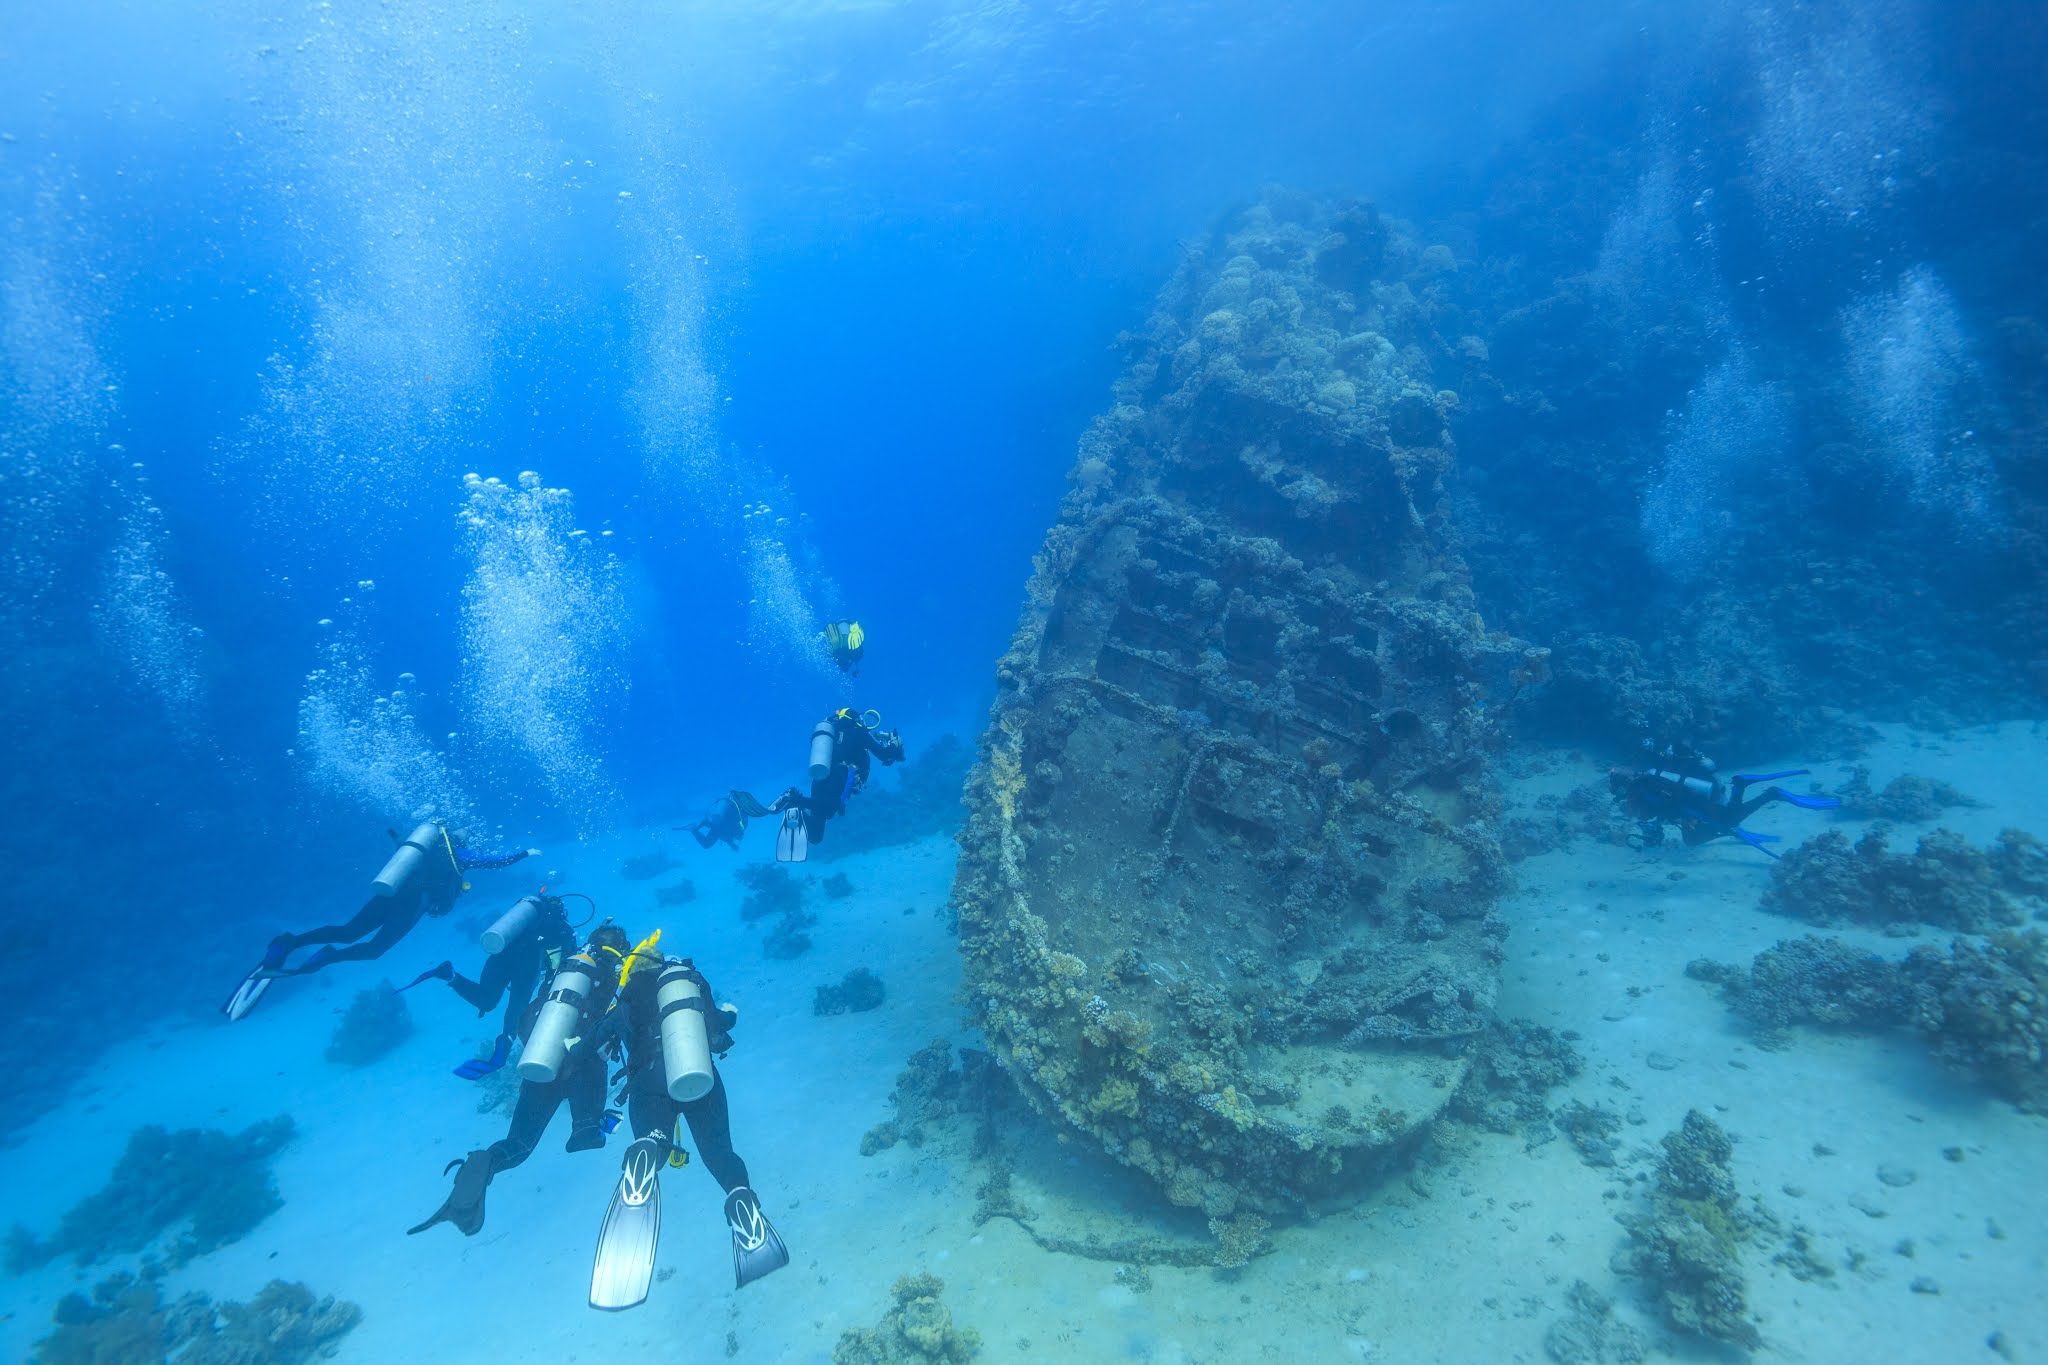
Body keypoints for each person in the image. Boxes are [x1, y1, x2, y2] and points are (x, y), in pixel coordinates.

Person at [410, 923, 787, 1301]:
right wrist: (729, 1013)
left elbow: (584, 1043)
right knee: (719, 1152)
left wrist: (577, 1048)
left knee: (611, 1138)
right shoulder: (689, 983)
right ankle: (739, 1198)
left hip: (643, 1084)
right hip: (697, 1078)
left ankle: (646, 1149)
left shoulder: (619, 994)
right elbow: (720, 1028)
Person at [222, 823, 537, 1021]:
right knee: (375, 950)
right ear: (463, 841)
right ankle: (326, 957)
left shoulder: (425, 851)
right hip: (412, 903)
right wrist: (525, 853)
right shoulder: (460, 855)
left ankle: (290, 941)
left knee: (348, 931)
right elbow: (497, 861)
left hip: (391, 893)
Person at [403, 890, 582, 1079]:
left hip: (499, 957)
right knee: (515, 1011)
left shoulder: (519, 920)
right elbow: (570, 960)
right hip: (528, 966)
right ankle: (505, 1043)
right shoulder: (562, 927)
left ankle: (450, 976)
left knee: (486, 1001)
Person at [1610, 740, 1839, 857]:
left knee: (1729, 820)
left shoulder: (1641, 791)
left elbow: (1663, 807)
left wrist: (1655, 821)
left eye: (1619, 793)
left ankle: (1766, 792)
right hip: (1695, 807)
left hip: (1697, 807)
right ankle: (1732, 815)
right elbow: (1664, 807)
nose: (1622, 799)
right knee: (1695, 838)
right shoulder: (1647, 781)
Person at [740, 708, 904, 862]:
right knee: (831, 806)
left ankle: (798, 806)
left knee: (816, 836)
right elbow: (883, 755)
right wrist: (894, 745)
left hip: (819, 775)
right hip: (839, 774)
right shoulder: (858, 731)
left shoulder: (833, 734)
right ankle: (793, 799)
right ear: (856, 720)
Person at [685, 794, 750, 851]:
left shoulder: (737, 826)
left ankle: (699, 825)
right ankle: (694, 828)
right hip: (718, 826)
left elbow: (726, 835)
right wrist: (732, 844)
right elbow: (726, 835)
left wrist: (732, 844)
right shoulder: (736, 828)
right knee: (706, 844)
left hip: (717, 823)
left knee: (707, 842)